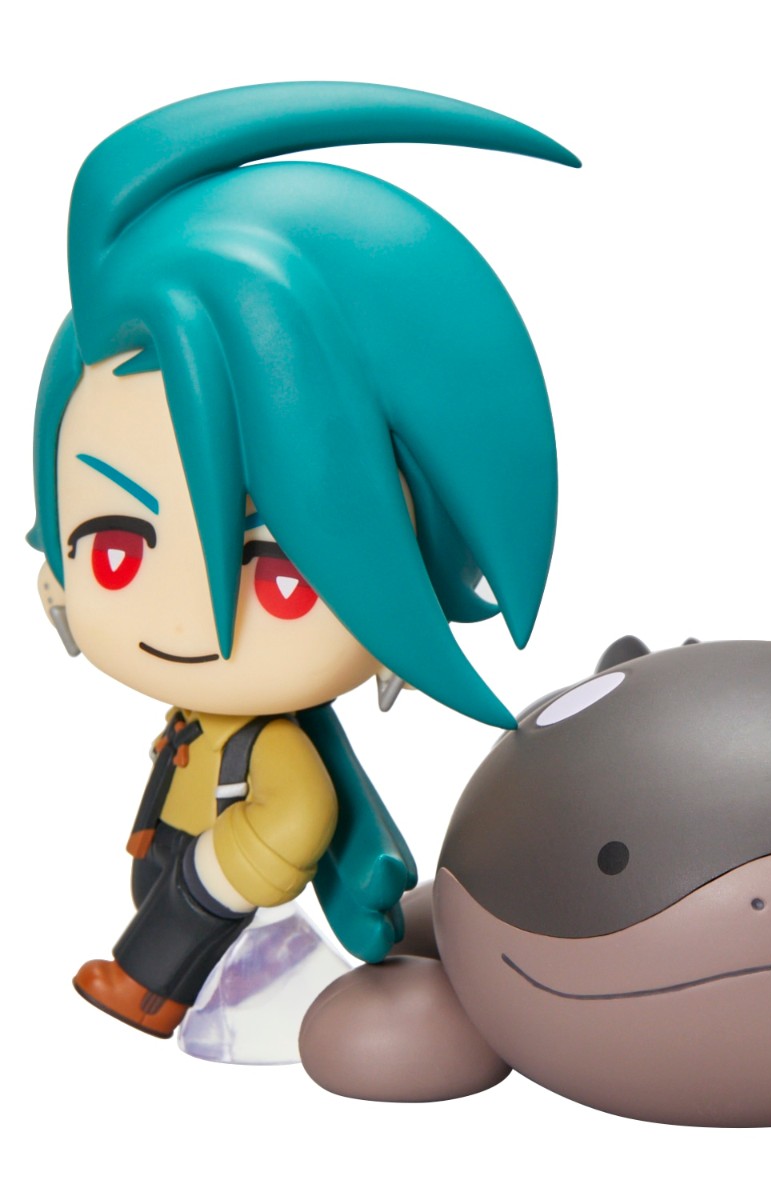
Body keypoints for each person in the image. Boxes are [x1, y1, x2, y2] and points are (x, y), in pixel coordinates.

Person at [29, 82, 577, 1037]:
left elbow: (298, 815)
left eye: (282, 575)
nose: (187, 619)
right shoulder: (204, 714)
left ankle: (153, 984)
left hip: (213, 900)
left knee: (187, 947)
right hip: (195, 884)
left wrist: (216, 877)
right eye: (114, 549)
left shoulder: (277, 755)